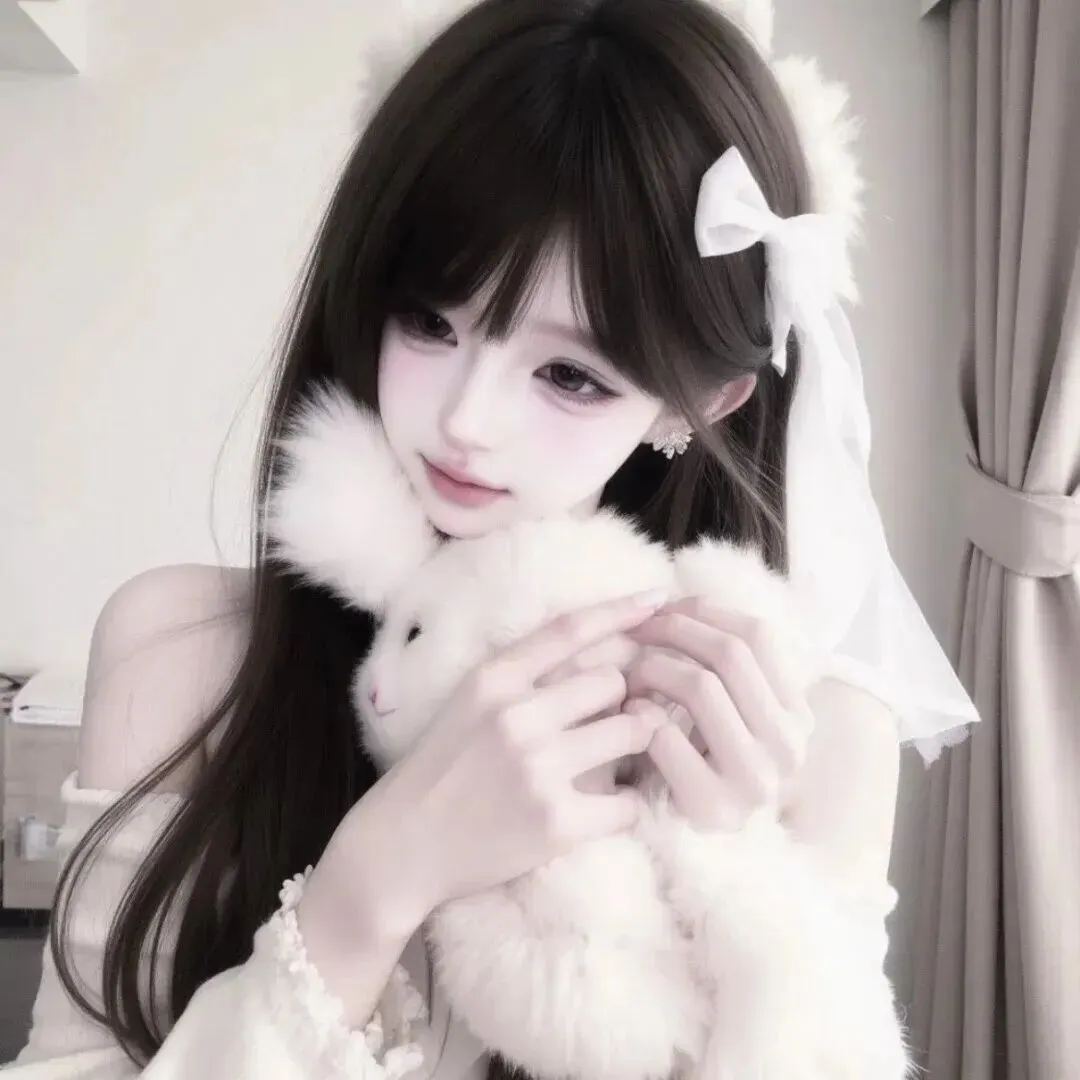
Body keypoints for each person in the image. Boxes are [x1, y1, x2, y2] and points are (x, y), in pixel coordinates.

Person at [7, 1, 979, 1077]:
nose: (467, 420)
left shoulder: (804, 726)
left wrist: (734, 880)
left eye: (569, 374)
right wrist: (371, 888)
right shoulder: (180, 645)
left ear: (696, 400)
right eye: (431, 322)